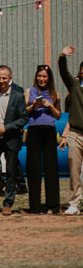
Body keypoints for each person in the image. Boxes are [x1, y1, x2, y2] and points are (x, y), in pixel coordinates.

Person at [0, 65, 29, 215]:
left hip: (11, 138)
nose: (1, 81)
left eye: (4, 78)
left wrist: (7, 127)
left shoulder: (18, 96)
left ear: (10, 78)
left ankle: (8, 203)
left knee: (11, 172)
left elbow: (24, 118)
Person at [24, 64, 61, 214]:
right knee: (34, 167)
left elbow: (58, 115)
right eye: (39, 76)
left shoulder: (55, 94)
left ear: (49, 78)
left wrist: (50, 105)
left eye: (44, 76)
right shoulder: (29, 91)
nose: (41, 79)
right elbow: (24, 113)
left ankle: (52, 205)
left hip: (49, 130)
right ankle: (35, 206)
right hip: (34, 129)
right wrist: (33, 105)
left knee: (51, 167)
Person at [59, 46, 83, 216]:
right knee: (74, 170)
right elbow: (63, 72)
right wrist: (62, 56)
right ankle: (74, 203)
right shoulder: (74, 84)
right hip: (75, 132)